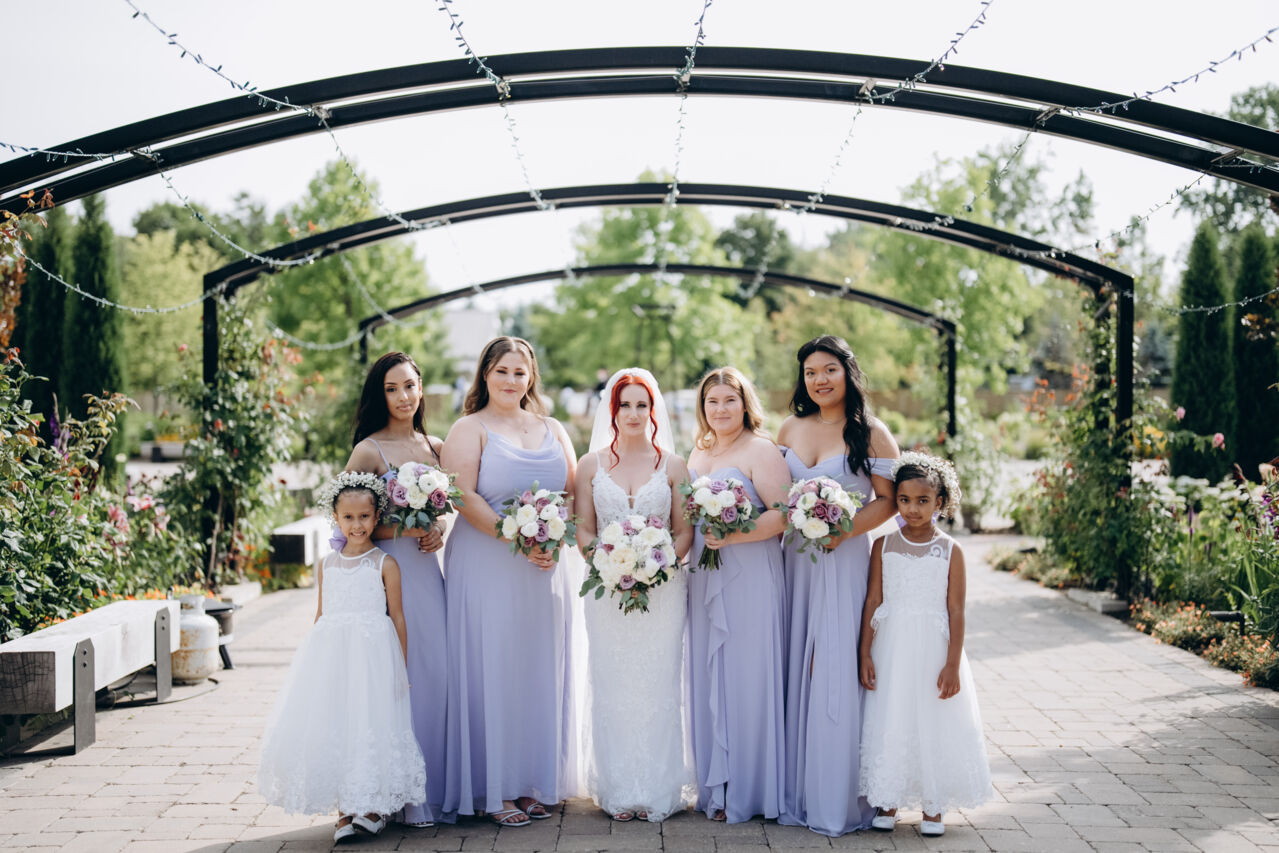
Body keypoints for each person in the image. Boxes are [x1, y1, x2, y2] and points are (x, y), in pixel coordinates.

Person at [440, 336, 579, 827]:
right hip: (487, 563)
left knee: (536, 668)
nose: (511, 380)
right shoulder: (469, 428)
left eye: (520, 372)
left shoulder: (552, 427)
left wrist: (554, 538)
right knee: (493, 667)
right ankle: (493, 789)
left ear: (531, 377)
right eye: (501, 371)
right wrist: (514, 534)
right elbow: (462, 495)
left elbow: (573, 492)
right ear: (485, 374)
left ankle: (530, 782)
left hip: (543, 568)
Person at [258, 472, 427, 843]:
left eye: (364, 516)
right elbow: (321, 615)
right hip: (334, 659)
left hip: (371, 660)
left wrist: (400, 667)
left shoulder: (385, 563)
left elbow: (397, 617)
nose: (357, 525)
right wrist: (313, 667)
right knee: (338, 726)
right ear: (335, 518)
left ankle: (373, 808)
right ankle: (344, 811)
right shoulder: (327, 564)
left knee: (370, 723)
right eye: (348, 517)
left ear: (376, 517)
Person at [776, 335, 899, 837]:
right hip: (793, 560)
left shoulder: (871, 433)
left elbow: (888, 500)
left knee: (834, 664)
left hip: (843, 556)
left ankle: (837, 793)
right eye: (810, 372)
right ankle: (796, 787)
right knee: (795, 661)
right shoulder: (789, 427)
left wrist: (842, 530)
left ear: (848, 372)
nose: (819, 380)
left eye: (829, 369)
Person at [574, 368, 695, 822]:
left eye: (641, 405)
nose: (633, 413)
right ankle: (619, 789)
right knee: (613, 682)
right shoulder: (590, 466)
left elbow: (684, 532)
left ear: (653, 409)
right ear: (611, 410)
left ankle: (659, 788)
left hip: (663, 591)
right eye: (624, 405)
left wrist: (655, 567)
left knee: (658, 683)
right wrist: (609, 563)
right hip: (606, 592)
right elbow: (584, 530)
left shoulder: (674, 466)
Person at [858, 452, 991, 837]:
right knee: (892, 714)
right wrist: (865, 651)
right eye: (904, 500)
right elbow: (873, 600)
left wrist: (952, 664)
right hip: (892, 646)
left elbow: (957, 610)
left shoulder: (950, 550)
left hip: (934, 646)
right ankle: (888, 799)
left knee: (933, 719)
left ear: (940, 502)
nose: (912, 509)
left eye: (922, 501)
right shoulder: (883, 545)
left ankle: (934, 805)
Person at [344, 352, 450, 826]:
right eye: (392, 388)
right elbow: (347, 523)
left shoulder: (437, 448)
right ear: (379, 395)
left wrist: (437, 528)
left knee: (434, 675)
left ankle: (430, 790)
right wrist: (405, 529)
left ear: (421, 388)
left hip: (427, 574)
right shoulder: (369, 451)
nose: (403, 396)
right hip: (387, 575)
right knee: (391, 679)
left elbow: (447, 511)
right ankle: (384, 794)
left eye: (409, 385)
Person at [685, 366, 790, 823]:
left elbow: (785, 514)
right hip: (704, 574)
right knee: (711, 673)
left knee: (747, 674)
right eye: (712, 401)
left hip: (748, 575)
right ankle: (717, 786)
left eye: (730, 399)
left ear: (746, 404)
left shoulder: (761, 450)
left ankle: (749, 789)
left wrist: (734, 535)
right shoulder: (699, 450)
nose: (721, 408)